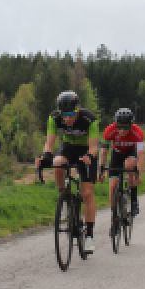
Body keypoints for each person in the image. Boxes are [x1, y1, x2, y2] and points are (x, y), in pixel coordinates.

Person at [35, 90, 99, 252]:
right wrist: (45, 156)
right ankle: (64, 197)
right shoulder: (54, 118)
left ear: (78, 110)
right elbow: (49, 144)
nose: (67, 119)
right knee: (57, 162)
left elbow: (93, 148)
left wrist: (89, 157)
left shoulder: (89, 119)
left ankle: (90, 235)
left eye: (71, 114)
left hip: (86, 151)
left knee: (87, 192)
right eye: (64, 115)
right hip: (69, 148)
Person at [98, 108, 145, 216]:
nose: (122, 131)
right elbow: (104, 151)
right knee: (112, 186)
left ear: (131, 125)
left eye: (126, 127)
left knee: (129, 165)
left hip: (130, 153)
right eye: (119, 127)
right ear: (115, 124)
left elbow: (141, 154)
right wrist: (101, 169)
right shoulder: (109, 130)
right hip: (116, 154)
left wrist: (139, 173)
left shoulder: (138, 132)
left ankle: (133, 200)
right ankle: (114, 216)